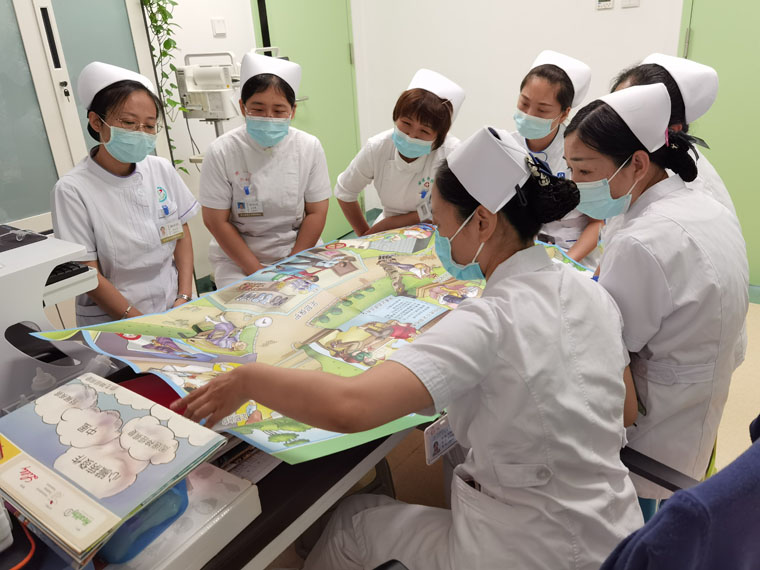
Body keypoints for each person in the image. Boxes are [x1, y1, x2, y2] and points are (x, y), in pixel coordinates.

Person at [173, 127, 643, 569]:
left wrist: (248, 379)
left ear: (481, 221)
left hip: (524, 550)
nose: (438, 238)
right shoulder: (589, 291)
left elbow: (350, 407)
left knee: (353, 523)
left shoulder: (489, 321)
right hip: (615, 533)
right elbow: (624, 410)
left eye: (440, 224)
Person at [564, 84, 748, 517]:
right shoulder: (697, 202)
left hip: (651, 436)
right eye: (570, 169)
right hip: (692, 407)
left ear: (637, 163)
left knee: (640, 524)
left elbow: (608, 350)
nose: (575, 184)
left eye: (584, 171)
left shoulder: (644, 241)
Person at [52, 62, 198, 326]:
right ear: (96, 122)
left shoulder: (161, 169)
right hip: (115, 320)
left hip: (173, 306)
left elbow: (181, 234)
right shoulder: (72, 190)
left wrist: (184, 296)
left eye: (149, 126)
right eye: (129, 123)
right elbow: (88, 273)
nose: (140, 133)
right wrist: (141, 324)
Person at [200, 52, 331, 288]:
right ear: (242, 107)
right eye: (258, 109)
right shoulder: (222, 151)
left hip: (299, 250)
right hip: (238, 259)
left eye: (279, 111)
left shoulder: (308, 147)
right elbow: (215, 221)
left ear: (292, 111)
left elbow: (317, 212)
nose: (269, 118)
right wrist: (256, 271)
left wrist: (293, 265)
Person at [335, 69, 464, 236]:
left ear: (440, 136)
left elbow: (456, 206)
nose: (411, 136)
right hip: (388, 229)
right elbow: (345, 191)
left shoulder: (452, 153)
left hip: (438, 227)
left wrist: (390, 224)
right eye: (406, 123)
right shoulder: (378, 147)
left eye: (424, 131)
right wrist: (364, 235)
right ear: (396, 117)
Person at [611, 53, 737, 217]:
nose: (611, 122)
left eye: (627, 114)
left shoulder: (689, 187)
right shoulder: (636, 159)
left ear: (671, 129)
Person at [508, 50, 602, 268]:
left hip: (571, 258)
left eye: (542, 110)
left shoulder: (582, 155)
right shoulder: (506, 146)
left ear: (564, 113)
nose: (529, 114)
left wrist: (566, 262)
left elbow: (597, 223)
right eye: (524, 103)